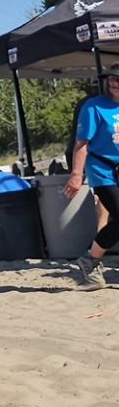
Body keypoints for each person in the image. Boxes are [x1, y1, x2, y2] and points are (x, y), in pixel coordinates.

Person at [64, 70, 119, 289]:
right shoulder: (94, 107)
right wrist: (77, 175)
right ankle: (91, 260)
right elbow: (82, 143)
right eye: (114, 79)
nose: (116, 84)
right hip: (102, 170)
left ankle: (90, 259)